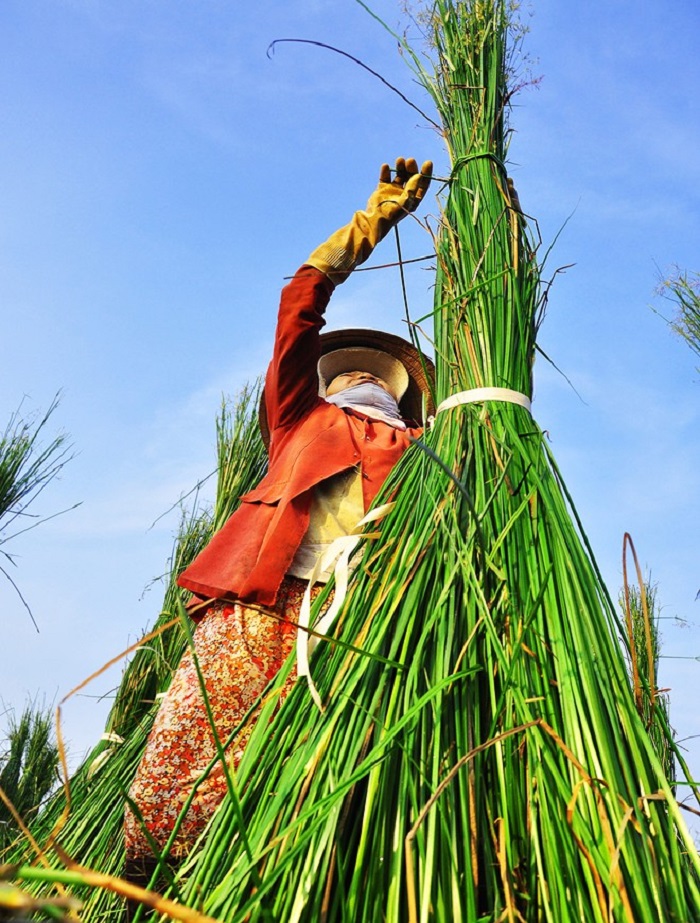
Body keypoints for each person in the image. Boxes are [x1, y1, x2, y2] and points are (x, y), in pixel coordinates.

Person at [123, 156, 434, 892]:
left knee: (319, 806)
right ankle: (155, 889)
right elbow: (298, 301)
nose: (360, 381)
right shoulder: (300, 419)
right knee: (185, 783)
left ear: (403, 400)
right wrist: (371, 225)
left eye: (375, 379)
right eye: (347, 374)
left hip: (363, 624)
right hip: (259, 609)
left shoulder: (425, 451)